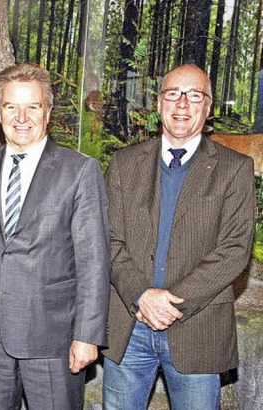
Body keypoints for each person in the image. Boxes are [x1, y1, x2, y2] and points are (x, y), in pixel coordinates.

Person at [102, 64, 255, 410]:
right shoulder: (124, 164)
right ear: (158, 104)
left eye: (194, 95)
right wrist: (141, 295)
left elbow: (234, 249)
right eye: (173, 94)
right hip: (130, 325)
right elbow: (108, 238)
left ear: (208, 107)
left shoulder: (235, 168)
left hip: (198, 328)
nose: (182, 104)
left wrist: (170, 305)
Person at [0, 63, 110, 409]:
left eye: (33, 106)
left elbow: (93, 262)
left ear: (48, 112)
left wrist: (87, 335)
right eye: (11, 106)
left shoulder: (80, 170)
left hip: (52, 339)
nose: (21, 117)